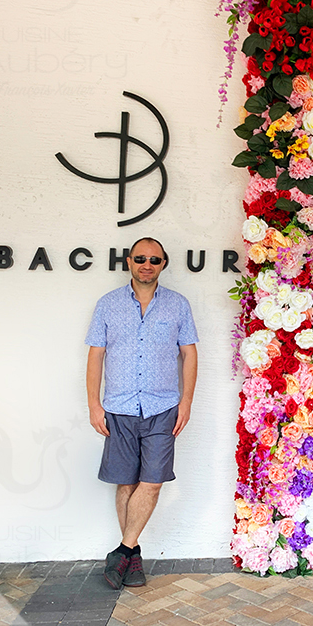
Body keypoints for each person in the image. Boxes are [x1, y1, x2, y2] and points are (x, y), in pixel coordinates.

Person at [85, 236, 198, 589]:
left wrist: (187, 402)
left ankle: (121, 551)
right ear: (129, 262)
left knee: (152, 482)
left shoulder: (178, 306)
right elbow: (95, 356)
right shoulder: (107, 305)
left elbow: (190, 355)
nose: (146, 264)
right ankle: (132, 559)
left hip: (163, 408)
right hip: (118, 408)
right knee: (127, 482)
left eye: (154, 259)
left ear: (163, 263)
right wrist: (93, 404)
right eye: (140, 258)